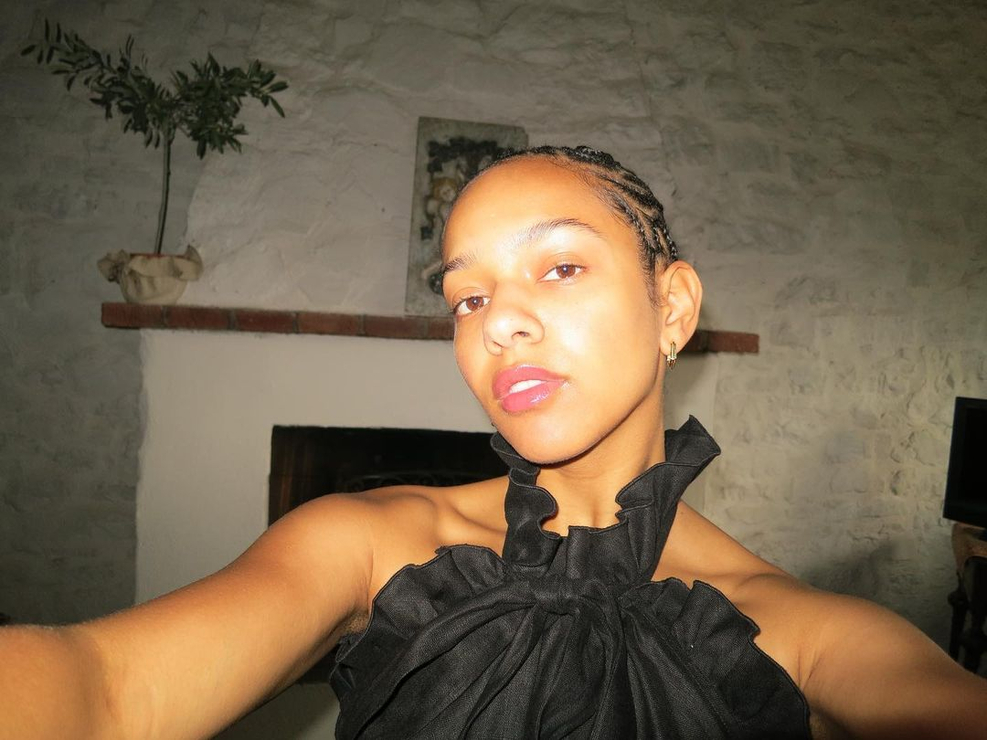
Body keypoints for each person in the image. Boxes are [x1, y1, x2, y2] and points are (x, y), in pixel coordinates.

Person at [2, 146, 985, 739]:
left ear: (673, 307)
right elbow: (104, 690)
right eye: (467, 296)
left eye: (559, 267)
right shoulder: (367, 543)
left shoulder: (800, 631)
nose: (498, 320)